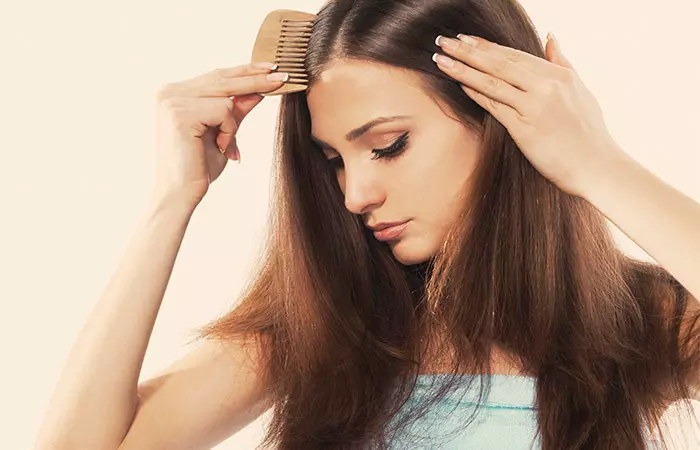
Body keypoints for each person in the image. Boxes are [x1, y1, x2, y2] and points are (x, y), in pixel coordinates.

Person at [35, 0, 700, 449]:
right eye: (333, 160)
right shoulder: (322, 327)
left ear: (501, 121)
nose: (355, 194)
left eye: (386, 145)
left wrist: (599, 166)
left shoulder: (635, 322)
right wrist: (170, 202)